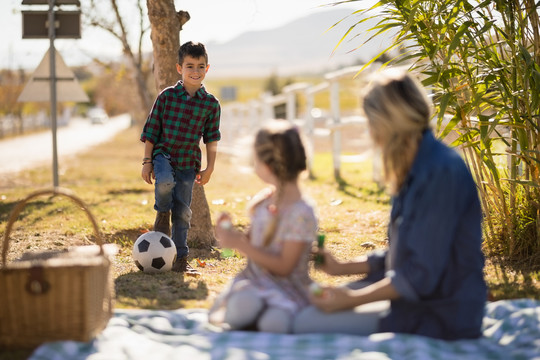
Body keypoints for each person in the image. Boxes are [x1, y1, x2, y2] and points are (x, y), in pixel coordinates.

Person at [293, 69, 487, 340]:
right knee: (306, 308)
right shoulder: (415, 166)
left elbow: (420, 275)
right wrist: (342, 268)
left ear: (388, 122)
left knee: (305, 322)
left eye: (370, 121)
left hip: (440, 314)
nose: (369, 131)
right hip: (411, 300)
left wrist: (350, 299)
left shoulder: (440, 173)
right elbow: (408, 255)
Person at [209, 121, 318, 333]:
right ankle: (250, 318)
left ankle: (256, 322)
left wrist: (241, 244)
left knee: (273, 323)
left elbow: (285, 267)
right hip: (254, 284)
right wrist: (230, 236)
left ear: (267, 167)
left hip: (287, 291)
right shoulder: (265, 202)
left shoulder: (301, 213)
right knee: (245, 305)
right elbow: (251, 245)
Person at [140, 41, 221, 275]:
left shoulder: (210, 104)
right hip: (163, 154)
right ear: (179, 68)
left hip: (188, 162)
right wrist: (147, 162)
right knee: (164, 183)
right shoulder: (167, 97)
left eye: (200, 66)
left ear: (207, 69)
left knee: (184, 211)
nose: (195, 71)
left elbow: (212, 139)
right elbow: (151, 131)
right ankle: (161, 213)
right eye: (189, 66)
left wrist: (210, 168)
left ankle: (180, 258)